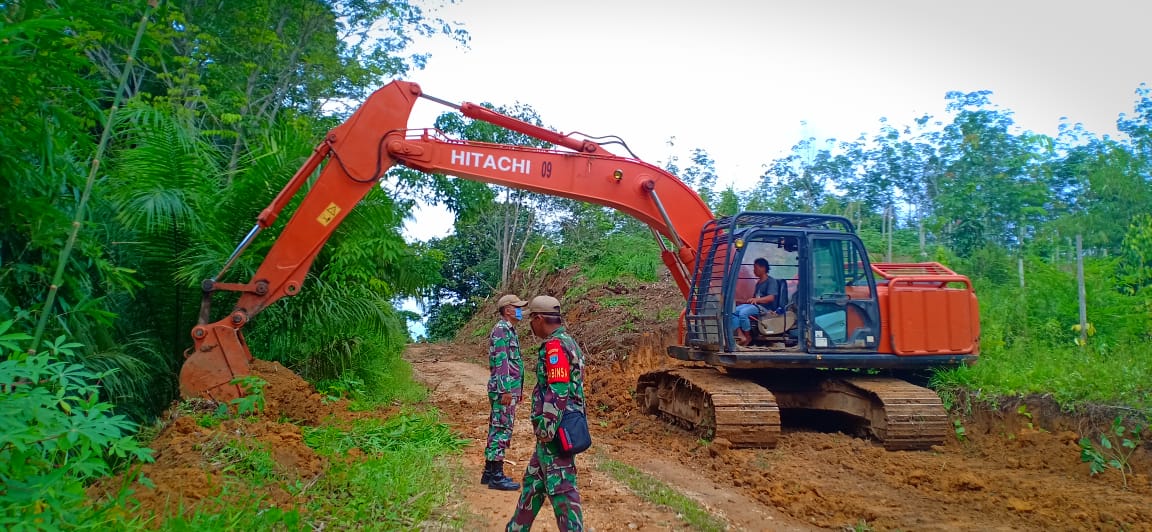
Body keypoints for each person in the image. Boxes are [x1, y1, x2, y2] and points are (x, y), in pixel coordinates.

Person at [506, 295, 586, 532]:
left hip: (555, 431)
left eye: (531, 319)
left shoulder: (554, 347)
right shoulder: (568, 342)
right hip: (557, 429)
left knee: (562, 490)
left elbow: (558, 389)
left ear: (539, 319)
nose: (530, 325)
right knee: (533, 483)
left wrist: (546, 428)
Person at [483, 294, 529, 491]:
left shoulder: (509, 330)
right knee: (502, 429)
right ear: (508, 310)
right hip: (504, 389)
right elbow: (501, 363)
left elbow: (512, 363)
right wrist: (506, 391)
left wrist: (517, 390)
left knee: (498, 428)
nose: (520, 311)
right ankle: (496, 476)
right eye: (517, 307)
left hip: (508, 388)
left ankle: (489, 472)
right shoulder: (502, 330)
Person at [730, 257, 786, 346]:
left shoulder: (771, 281)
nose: (754, 270)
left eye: (755, 268)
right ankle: (741, 336)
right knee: (732, 312)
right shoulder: (759, 282)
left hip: (765, 308)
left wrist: (756, 300)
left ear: (763, 268)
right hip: (756, 306)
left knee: (743, 313)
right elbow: (755, 298)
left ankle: (748, 336)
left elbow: (771, 298)